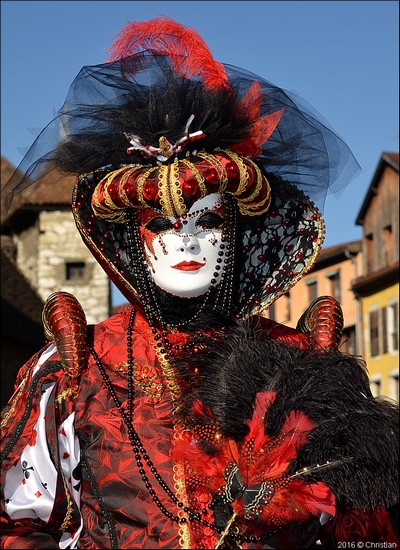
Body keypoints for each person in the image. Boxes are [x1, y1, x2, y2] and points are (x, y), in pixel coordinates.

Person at [1, 18, 398, 550]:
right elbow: (17, 524)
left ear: (235, 235)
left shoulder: (299, 364)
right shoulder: (81, 367)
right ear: (133, 242)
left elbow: (362, 532)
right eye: (161, 225)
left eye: (206, 223)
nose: (184, 242)